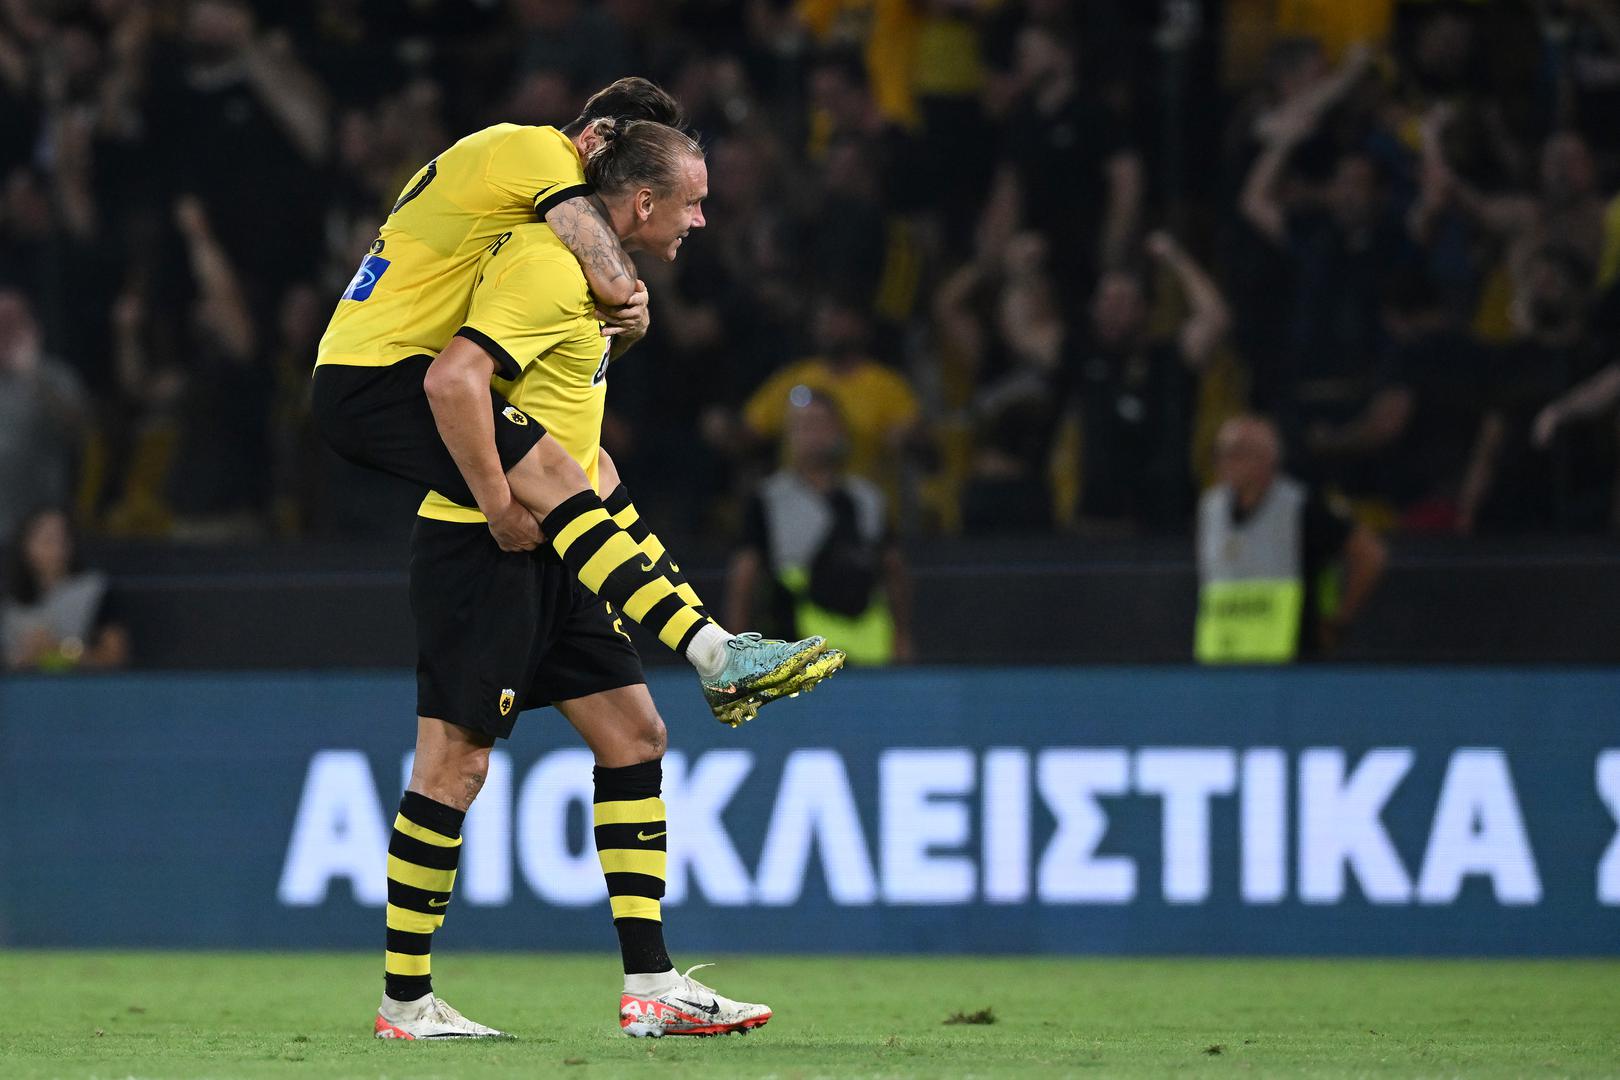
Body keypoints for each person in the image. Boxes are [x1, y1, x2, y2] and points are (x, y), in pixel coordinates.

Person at [373, 122, 842, 1041]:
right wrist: (496, 502)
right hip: (484, 548)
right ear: (642, 201)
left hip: (566, 543)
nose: (700, 220)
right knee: (453, 767)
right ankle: (405, 1003)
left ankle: (652, 986)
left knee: (635, 737)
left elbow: (564, 426)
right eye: (692, 202)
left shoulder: (594, 283)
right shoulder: (546, 265)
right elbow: (455, 379)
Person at [312, 79, 837, 721]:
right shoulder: (536, 156)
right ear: (595, 136)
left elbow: (569, 344)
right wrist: (499, 505)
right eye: (624, 145)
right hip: (380, 373)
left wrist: (626, 322)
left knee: (592, 470)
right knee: (559, 472)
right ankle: (713, 654)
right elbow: (608, 279)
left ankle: (718, 647)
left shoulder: (528, 223)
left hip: (396, 364)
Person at [726, 388, 913, 665]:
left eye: (821, 424)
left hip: (866, 653)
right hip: (792, 654)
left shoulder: (867, 498)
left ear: (840, 431)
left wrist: (902, 637)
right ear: (789, 436)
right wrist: (736, 651)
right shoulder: (768, 498)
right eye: (802, 426)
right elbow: (745, 576)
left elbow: (893, 568)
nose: (813, 434)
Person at [1195, 416, 1387, 664]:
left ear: (1267, 459)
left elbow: (1370, 554)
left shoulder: (1301, 508)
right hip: (1225, 659)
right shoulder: (1211, 507)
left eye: (1238, 452)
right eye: (1221, 452)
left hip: (1292, 662)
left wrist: (1339, 620)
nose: (1225, 461)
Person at [0, 288, 88, 545]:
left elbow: (78, 431)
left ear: (32, 328)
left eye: (12, 325)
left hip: (37, 527)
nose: (5, 334)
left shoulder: (55, 377)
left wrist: (33, 376)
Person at [2, 507, 128, 671]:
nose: (56, 547)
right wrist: (24, 655)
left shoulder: (94, 590)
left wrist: (62, 651)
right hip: (18, 684)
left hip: (79, 683)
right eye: (46, 539)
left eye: (62, 538)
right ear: (25, 544)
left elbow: (114, 656)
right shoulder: (8, 598)